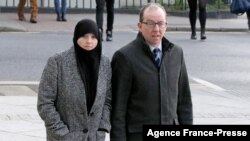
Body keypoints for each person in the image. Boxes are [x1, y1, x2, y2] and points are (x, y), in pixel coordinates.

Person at [110, 3, 193, 141]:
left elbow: (184, 102)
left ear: (166, 25)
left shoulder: (176, 53)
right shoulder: (125, 57)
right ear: (140, 25)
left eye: (160, 23)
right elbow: (118, 110)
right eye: (150, 23)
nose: (156, 29)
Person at [37, 19, 112, 141]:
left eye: (93, 37)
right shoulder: (57, 62)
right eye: (84, 36)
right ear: (76, 37)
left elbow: (107, 100)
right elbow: (44, 103)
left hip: (94, 137)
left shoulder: (104, 63)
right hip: (62, 137)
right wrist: (63, 133)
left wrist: (102, 128)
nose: (89, 41)